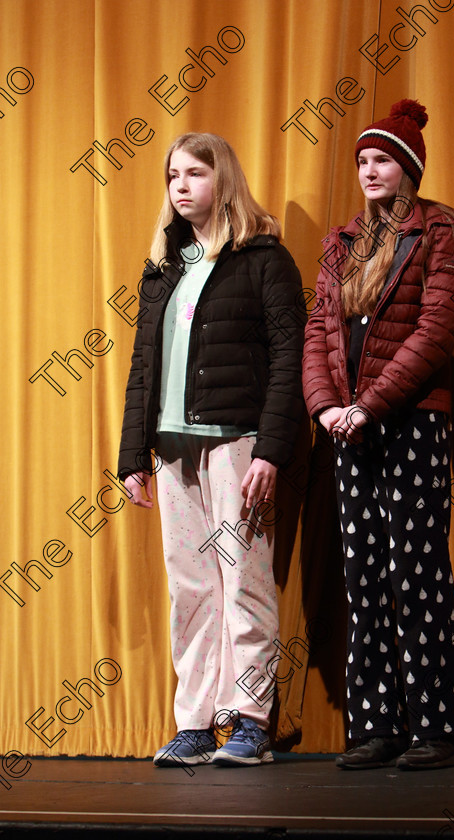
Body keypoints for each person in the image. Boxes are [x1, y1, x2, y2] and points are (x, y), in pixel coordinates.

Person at [117, 132, 304, 767]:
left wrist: (271, 450)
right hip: (173, 450)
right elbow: (144, 365)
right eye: (173, 174)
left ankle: (250, 722)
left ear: (223, 180)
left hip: (237, 443)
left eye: (195, 173)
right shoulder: (164, 267)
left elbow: (289, 359)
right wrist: (132, 456)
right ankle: (195, 722)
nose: (181, 185)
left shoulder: (263, 259)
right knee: (191, 590)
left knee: (245, 583)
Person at [302, 100, 454, 770]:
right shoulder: (341, 243)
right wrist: (325, 409)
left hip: (410, 421)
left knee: (417, 570)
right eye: (363, 162)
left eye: (382, 160)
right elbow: (319, 331)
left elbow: (436, 329)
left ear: (408, 168)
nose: (370, 171)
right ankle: (378, 725)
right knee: (363, 574)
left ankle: (435, 729)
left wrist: (369, 405)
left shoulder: (440, 232)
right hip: (347, 429)